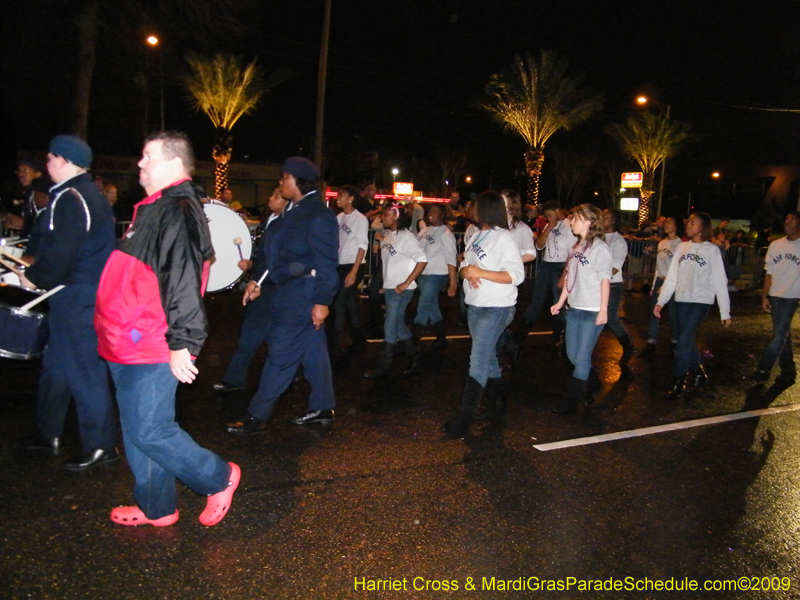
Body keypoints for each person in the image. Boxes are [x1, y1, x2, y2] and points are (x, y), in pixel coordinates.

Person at [94, 131, 240, 527]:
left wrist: (183, 343)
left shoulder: (178, 209)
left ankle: (219, 477)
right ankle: (157, 507)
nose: (139, 164)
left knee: (151, 429)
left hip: (151, 340)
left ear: (174, 164)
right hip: (126, 339)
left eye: (148, 157)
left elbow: (183, 280)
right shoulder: (154, 208)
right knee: (136, 430)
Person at [17, 135, 119, 471]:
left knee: (84, 369)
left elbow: (63, 251)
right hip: (75, 292)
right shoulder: (83, 193)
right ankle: (47, 433)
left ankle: (101, 445)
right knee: (57, 366)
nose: (47, 163)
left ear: (64, 160)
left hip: (78, 294)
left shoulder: (72, 197)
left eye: (50, 158)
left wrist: (35, 276)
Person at [226, 157, 339, 435]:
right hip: (287, 290)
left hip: (303, 291)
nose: (280, 182)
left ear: (298, 181)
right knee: (313, 350)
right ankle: (323, 406)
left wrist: (322, 301)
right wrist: (257, 280)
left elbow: (327, 262)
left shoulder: (316, 214)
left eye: (284, 177)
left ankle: (257, 415)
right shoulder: (290, 212)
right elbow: (274, 256)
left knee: (281, 352)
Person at [443, 191, 525, 436]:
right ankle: (498, 406)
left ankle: (464, 420)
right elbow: (464, 265)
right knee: (488, 358)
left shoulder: (504, 238)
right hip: (476, 305)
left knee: (477, 360)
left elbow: (516, 275)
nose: (471, 209)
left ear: (486, 209)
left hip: (496, 307)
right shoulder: (477, 235)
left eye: (476, 206)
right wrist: (466, 273)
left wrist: (480, 273)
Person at [213, 187, 289, 392]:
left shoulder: (285, 225)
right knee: (271, 333)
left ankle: (235, 378)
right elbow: (262, 255)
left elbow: (275, 260)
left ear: (287, 202)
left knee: (253, 331)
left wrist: (256, 275)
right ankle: (291, 371)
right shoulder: (269, 221)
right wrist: (251, 264)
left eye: (276, 196)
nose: (270, 198)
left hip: (270, 286)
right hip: (266, 284)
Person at [655, 212, 731, 399]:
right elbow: (672, 277)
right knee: (685, 339)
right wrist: (661, 301)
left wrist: (725, 311)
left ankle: (679, 379)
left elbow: (719, 280)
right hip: (681, 299)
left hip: (700, 301)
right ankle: (698, 371)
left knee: (683, 339)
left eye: (693, 222)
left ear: (703, 227)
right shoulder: (682, 247)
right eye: (688, 222)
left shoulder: (712, 250)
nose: (688, 225)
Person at [549, 204, 612, 413]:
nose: (571, 222)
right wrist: (561, 301)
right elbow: (570, 276)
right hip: (574, 308)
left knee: (582, 358)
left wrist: (603, 310)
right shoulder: (576, 246)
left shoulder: (600, 249)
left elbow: (605, 280)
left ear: (588, 222)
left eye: (576, 218)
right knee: (573, 356)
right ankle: (593, 383)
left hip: (591, 310)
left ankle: (571, 401)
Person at [363, 203, 428, 377]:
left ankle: (382, 367)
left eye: (386, 215)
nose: (382, 218)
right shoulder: (388, 235)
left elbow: (422, 260)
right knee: (398, 325)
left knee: (390, 325)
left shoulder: (407, 238)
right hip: (392, 288)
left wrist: (406, 283)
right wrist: (386, 284)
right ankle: (415, 357)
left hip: (401, 290)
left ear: (396, 216)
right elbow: (391, 262)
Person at [513, 200, 576, 359]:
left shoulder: (569, 227)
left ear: (558, 210)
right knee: (537, 299)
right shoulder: (550, 226)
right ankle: (521, 336)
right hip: (546, 265)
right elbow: (539, 246)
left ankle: (558, 337)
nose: (548, 218)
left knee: (557, 301)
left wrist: (564, 275)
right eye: (546, 216)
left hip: (560, 265)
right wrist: (549, 226)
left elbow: (572, 253)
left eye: (550, 214)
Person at [750, 212, 800, 386]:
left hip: (792, 296)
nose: (787, 223)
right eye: (786, 220)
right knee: (782, 334)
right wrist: (765, 295)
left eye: (792, 220)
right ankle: (788, 370)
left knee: (779, 334)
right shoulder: (775, 245)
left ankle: (763, 369)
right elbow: (769, 272)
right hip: (776, 295)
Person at [330, 184, 369, 356]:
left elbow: (362, 246)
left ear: (351, 198)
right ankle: (359, 342)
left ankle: (334, 346)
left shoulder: (360, 219)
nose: (338, 198)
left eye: (342, 195)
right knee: (350, 303)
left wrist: (354, 272)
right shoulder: (339, 217)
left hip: (353, 264)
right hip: (341, 264)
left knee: (339, 302)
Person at [414, 203, 458, 349]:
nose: (431, 214)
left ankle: (414, 338)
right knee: (431, 305)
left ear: (442, 215)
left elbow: (451, 259)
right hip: (423, 274)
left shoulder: (446, 234)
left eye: (435, 211)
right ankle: (441, 338)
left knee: (423, 304)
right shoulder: (423, 231)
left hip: (437, 274)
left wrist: (452, 283)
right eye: (430, 211)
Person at [642, 215, 685, 357]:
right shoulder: (662, 243)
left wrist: (667, 284)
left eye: (670, 223)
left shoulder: (681, 245)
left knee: (673, 314)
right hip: (660, 280)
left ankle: (675, 343)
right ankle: (651, 343)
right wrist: (654, 285)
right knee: (654, 312)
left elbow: (679, 268)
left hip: (672, 283)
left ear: (676, 226)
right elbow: (658, 267)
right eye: (666, 222)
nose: (666, 225)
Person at [602, 208, 635, 367]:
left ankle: (627, 344)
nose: (603, 218)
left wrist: (596, 278)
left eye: (606, 216)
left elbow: (615, 267)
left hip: (612, 284)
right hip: (597, 284)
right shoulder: (598, 237)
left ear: (614, 220)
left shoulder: (618, 241)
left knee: (611, 318)